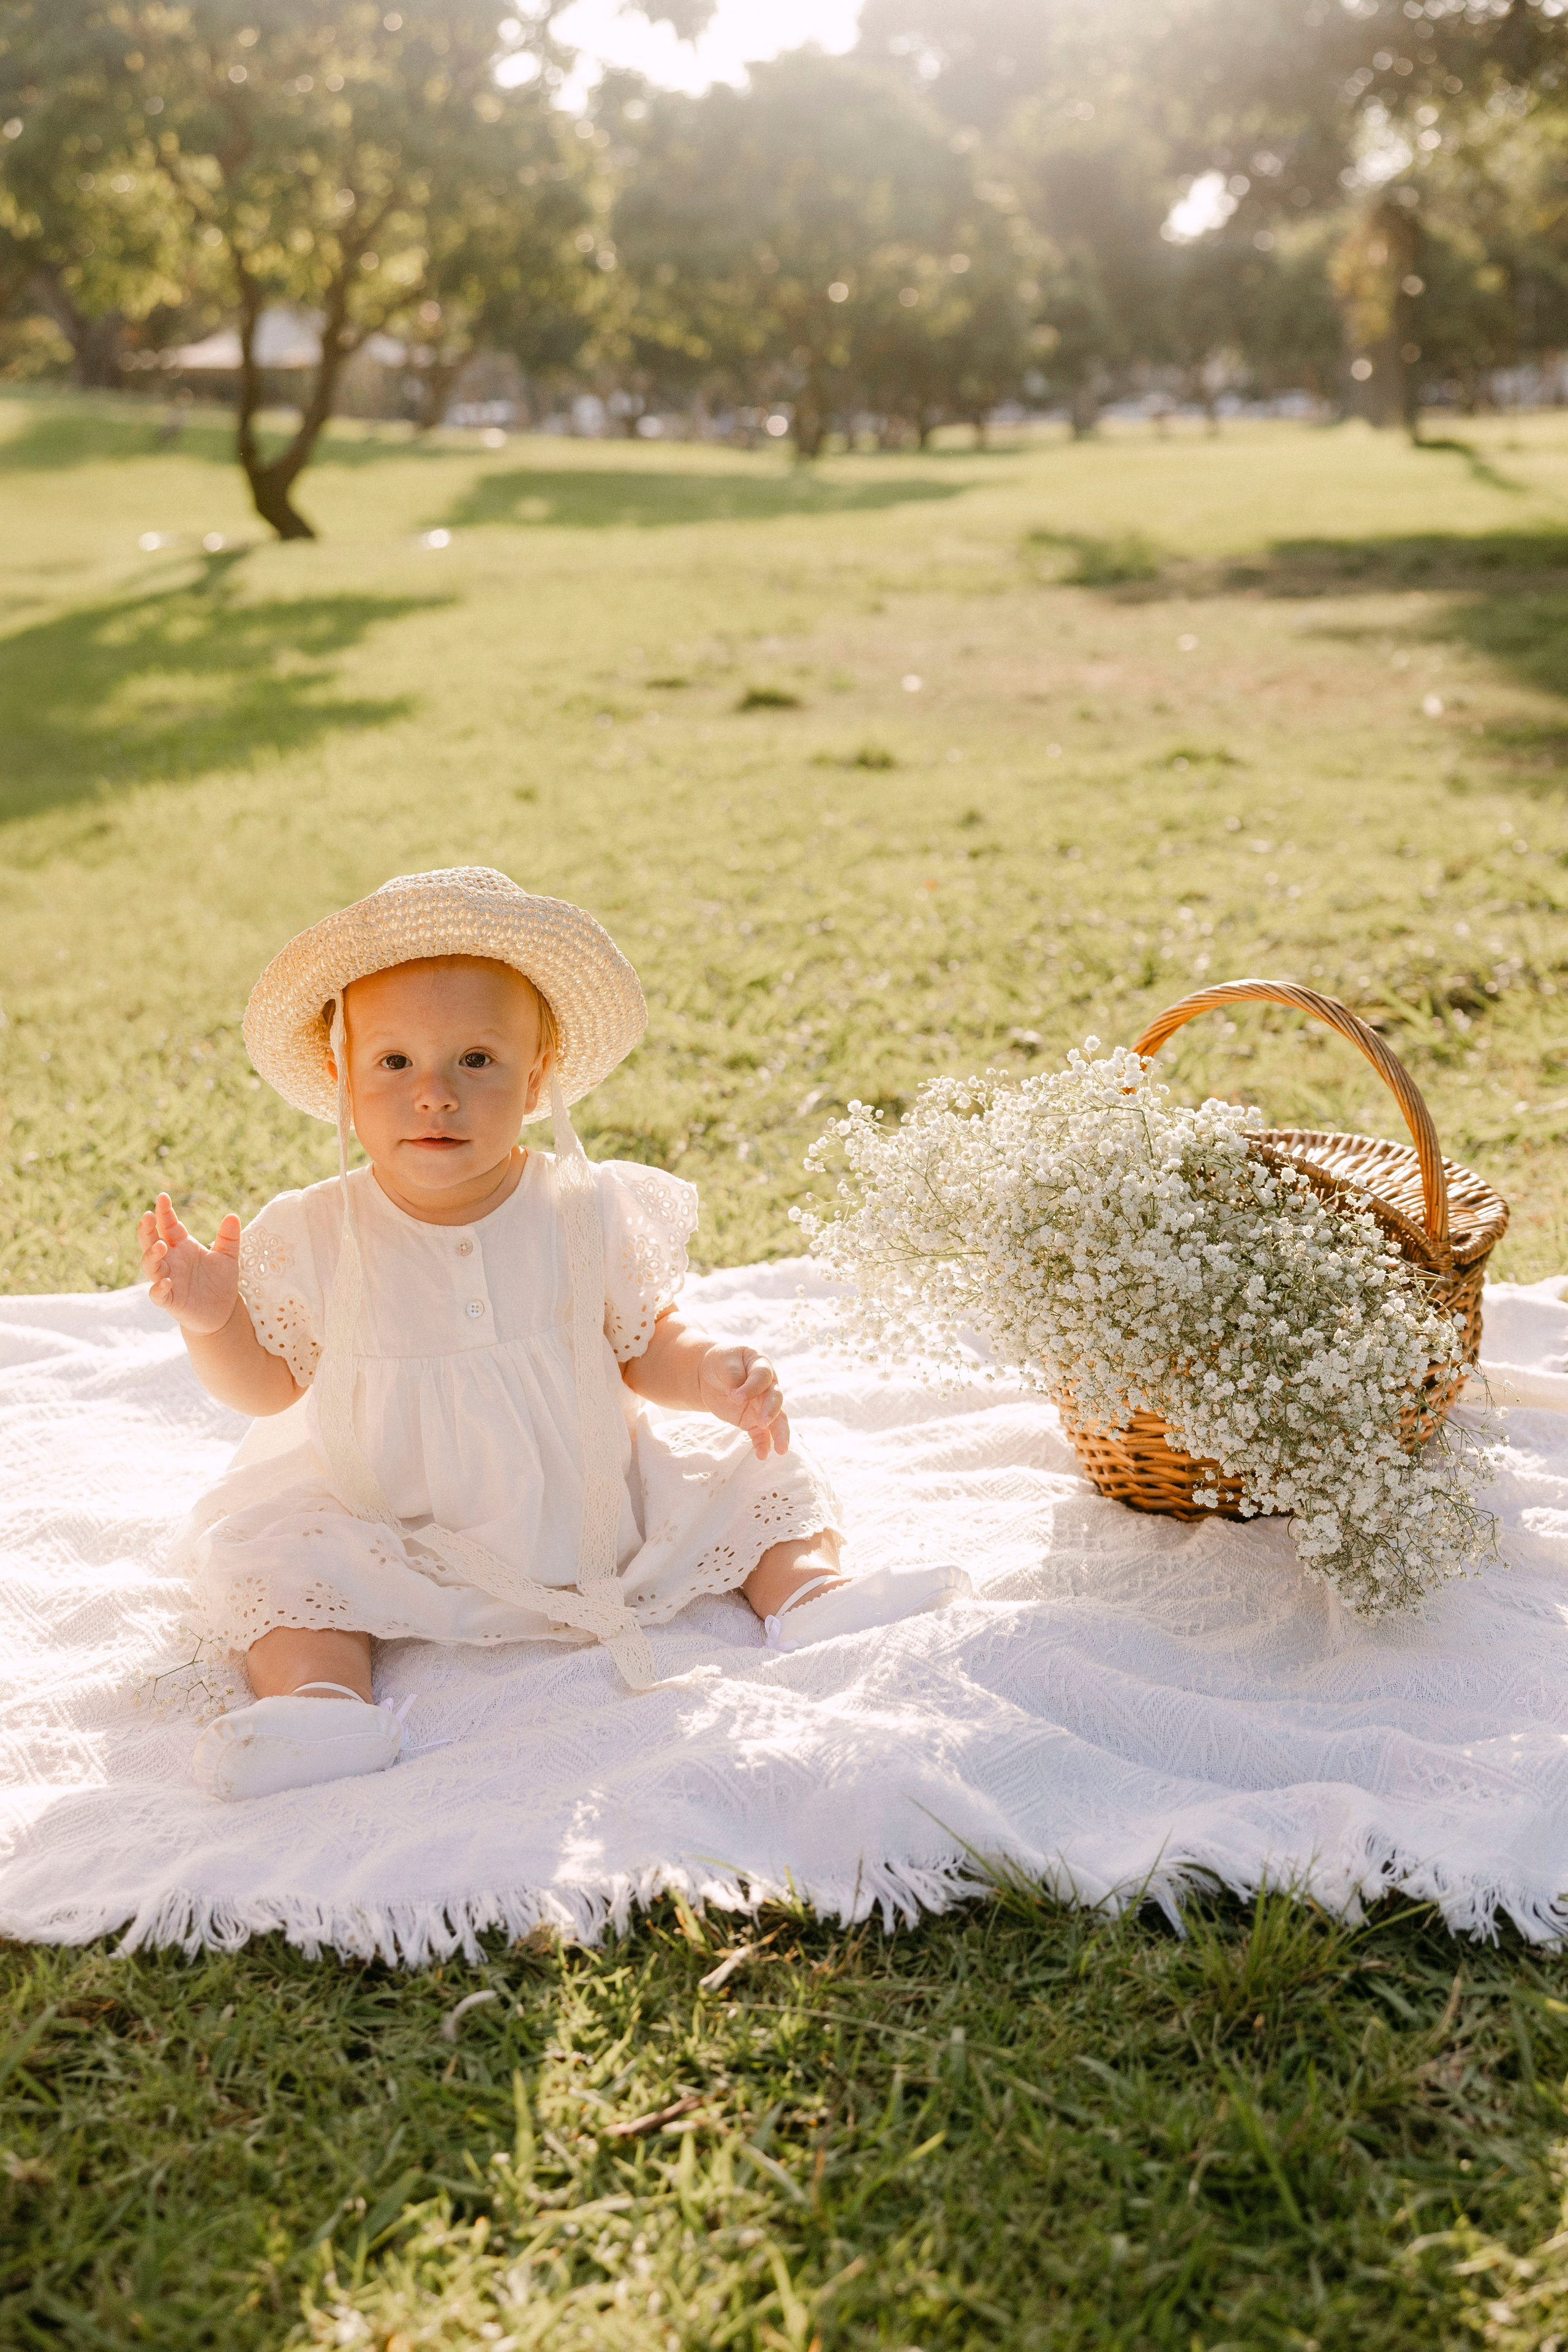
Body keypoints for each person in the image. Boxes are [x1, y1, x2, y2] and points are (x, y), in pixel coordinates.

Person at [141, 867, 967, 1801]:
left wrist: (708, 1375)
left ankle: (814, 1596)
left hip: (587, 1490)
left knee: (743, 1470)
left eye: (477, 1062)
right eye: (396, 1063)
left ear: (537, 1078)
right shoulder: (315, 1231)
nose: (436, 1095)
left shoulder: (583, 1207)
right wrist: (215, 1324)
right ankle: (322, 1707)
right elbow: (268, 1386)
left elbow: (641, 1339)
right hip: (384, 1505)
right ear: (341, 1078)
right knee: (285, 1563)